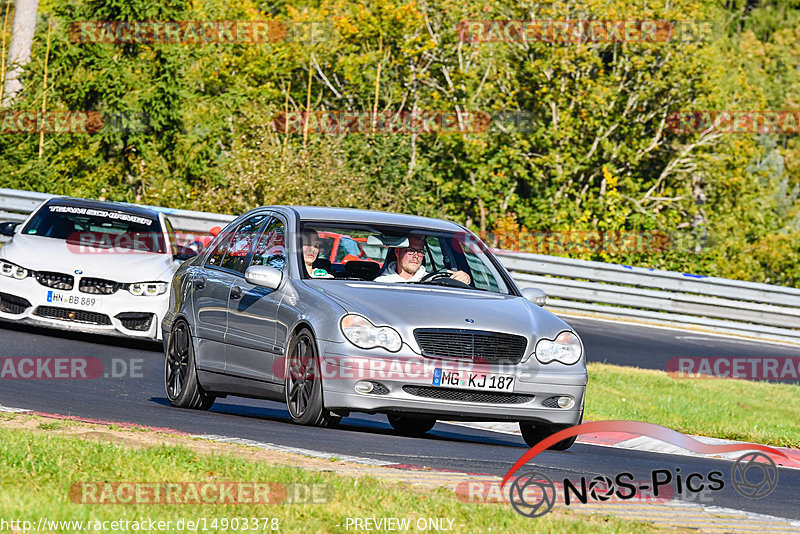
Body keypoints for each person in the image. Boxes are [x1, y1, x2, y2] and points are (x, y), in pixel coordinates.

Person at [374, 235, 471, 284]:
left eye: (420, 251)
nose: (416, 255)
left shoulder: (434, 282)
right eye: (410, 250)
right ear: (397, 252)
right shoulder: (380, 283)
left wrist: (465, 278)